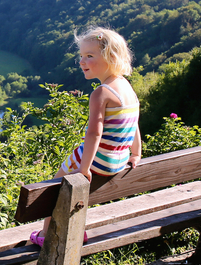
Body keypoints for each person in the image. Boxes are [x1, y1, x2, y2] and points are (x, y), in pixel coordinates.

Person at [30, 27, 142, 247]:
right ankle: (74, 228)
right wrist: (136, 153)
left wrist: (84, 168)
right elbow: (134, 122)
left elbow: (94, 133)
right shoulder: (126, 87)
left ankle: (45, 234)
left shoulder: (101, 93)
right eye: (81, 56)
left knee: (54, 187)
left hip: (99, 160)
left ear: (111, 57)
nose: (82, 61)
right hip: (119, 159)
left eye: (89, 56)